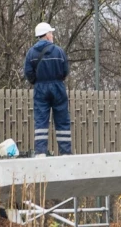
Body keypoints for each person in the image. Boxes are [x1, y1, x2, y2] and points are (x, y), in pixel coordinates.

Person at [24, 22, 71, 156]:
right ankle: (65, 152)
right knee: (62, 119)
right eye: (51, 33)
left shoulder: (31, 53)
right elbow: (65, 70)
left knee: (41, 120)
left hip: (40, 87)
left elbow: (28, 72)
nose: (52, 35)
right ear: (46, 35)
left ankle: (40, 152)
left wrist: (36, 81)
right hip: (57, 87)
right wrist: (57, 80)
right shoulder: (59, 51)